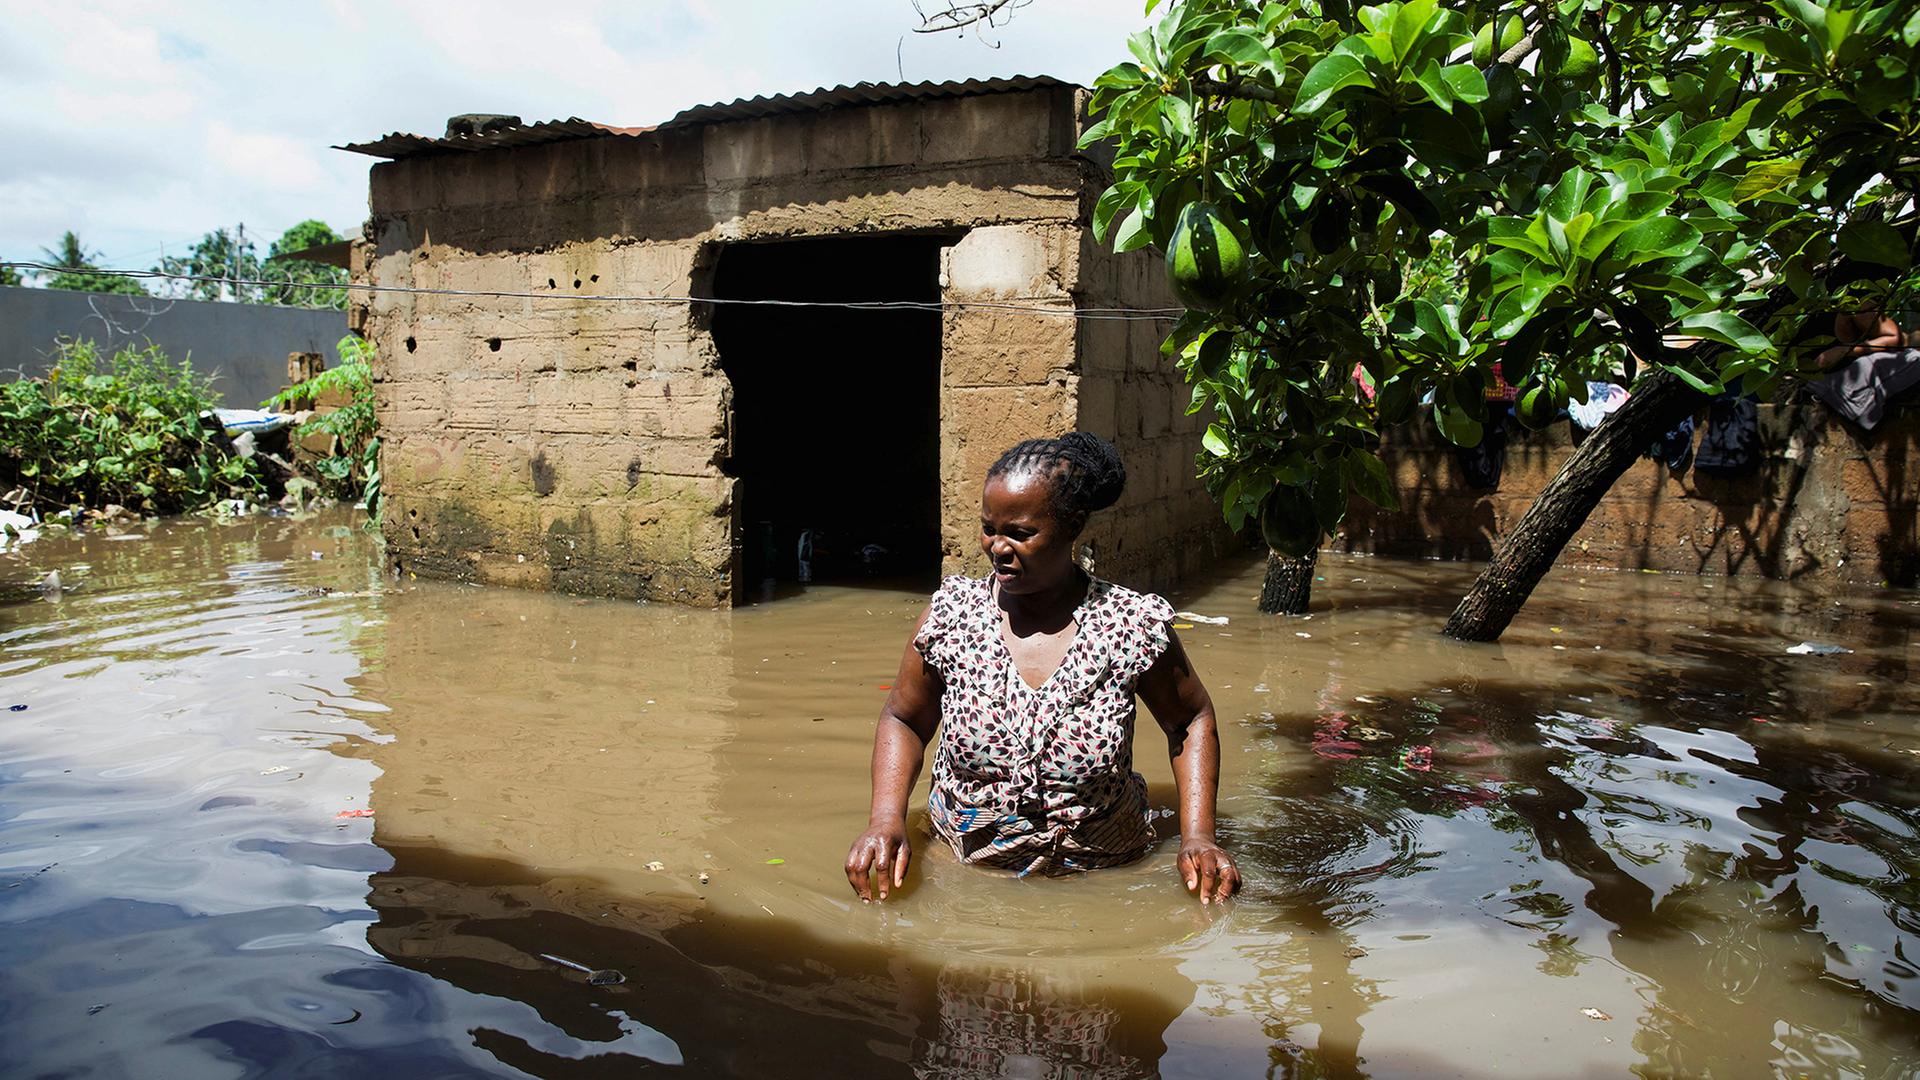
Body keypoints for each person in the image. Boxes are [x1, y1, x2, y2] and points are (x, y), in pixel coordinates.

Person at [844, 432, 1241, 905]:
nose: (998, 547)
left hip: (1104, 881)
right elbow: (904, 718)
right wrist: (885, 821)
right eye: (989, 528)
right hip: (966, 874)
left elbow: (1189, 720)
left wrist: (1199, 835)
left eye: (1021, 533)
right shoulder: (952, 617)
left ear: (1071, 526)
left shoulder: (1129, 625)